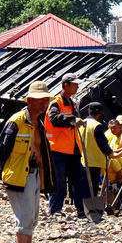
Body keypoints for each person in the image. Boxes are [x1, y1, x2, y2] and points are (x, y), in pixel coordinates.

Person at [0, 81, 55, 243]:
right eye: (39, 100)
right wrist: (7, 174)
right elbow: (1, 151)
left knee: (32, 219)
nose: (43, 104)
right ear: (29, 100)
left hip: (35, 174)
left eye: (45, 101)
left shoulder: (39, 123)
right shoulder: (16, 121)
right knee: (24, 219)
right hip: (20, 176)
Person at [44, 73, 88, 218]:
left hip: (73, 149)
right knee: (59, 182)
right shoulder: (56, 102)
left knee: (78, 181)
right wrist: (72, 120)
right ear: (66, 85)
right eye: (74, 84)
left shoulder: (72, 102)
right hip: (58, 149)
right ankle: (55, 209)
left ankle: (81, 210)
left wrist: (76, 120)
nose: (77, 87)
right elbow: (54, 119)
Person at [78, 102, 115, 222]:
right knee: (93, 187)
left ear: (89, 111)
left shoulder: (81, 124)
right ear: (99, 113)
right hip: (94, 161)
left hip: (82, 159)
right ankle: (92, 211)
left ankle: (82, 210)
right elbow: (102, 143)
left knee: (83, 186)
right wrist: (109, 152)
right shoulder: (97, 126)